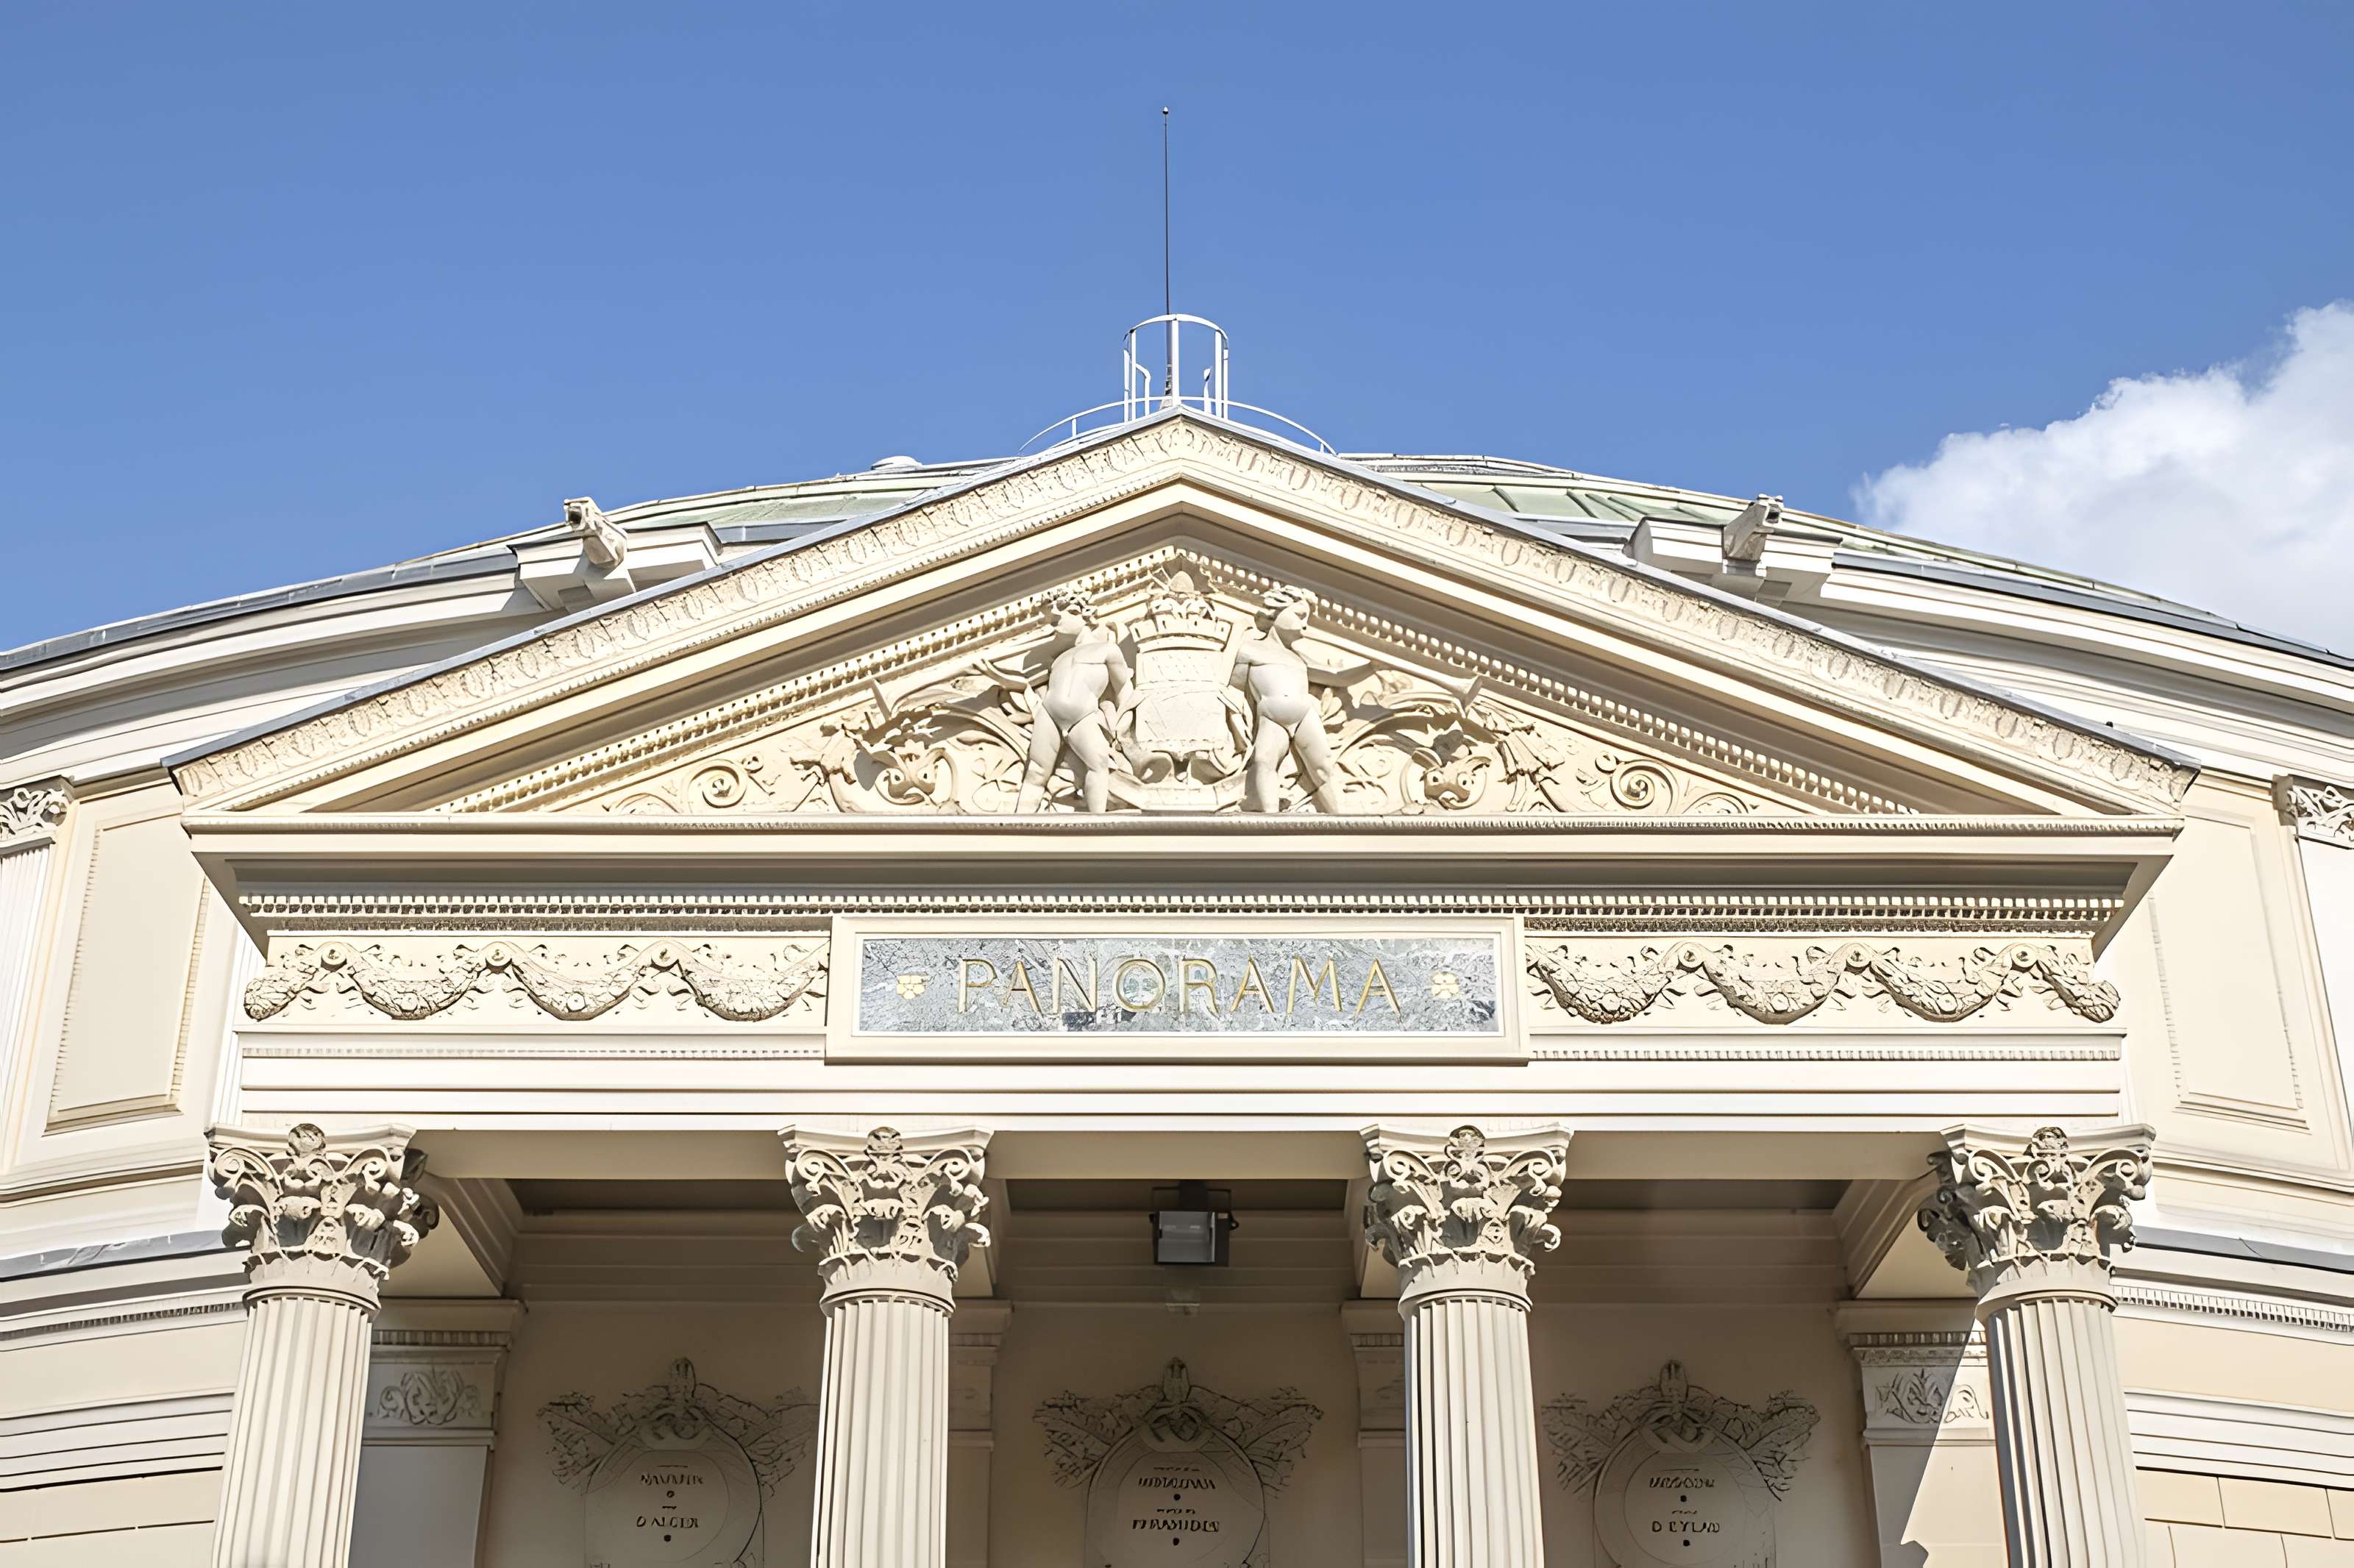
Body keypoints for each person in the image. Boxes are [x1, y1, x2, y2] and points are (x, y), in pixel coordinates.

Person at [1226, 584, 1371, 813]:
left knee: (1322, 766)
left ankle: (1341, 819)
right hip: (1271, 718)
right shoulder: (1249, 650)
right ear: (1276, 611)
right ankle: (1270, 820)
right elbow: (1234, 690)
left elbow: (1337, 678)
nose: (1304, 625)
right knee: (1264, 761)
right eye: (1300, 615)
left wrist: (1373, 667)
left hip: (1304, 714)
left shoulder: (1298, 657)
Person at [1015, 590, 1131, 813]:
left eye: (1063, 615)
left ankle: (1097, 825)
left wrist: (1121, 726)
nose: (1055, 621)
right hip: (1049, 715)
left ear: (1084, 615)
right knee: (1036, 772)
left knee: (1098, 764)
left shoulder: (1107, 650)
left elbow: (1124, 687)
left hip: (1082, 717)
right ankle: (1018, 825)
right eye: (1052, 618)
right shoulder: (1059, 658)